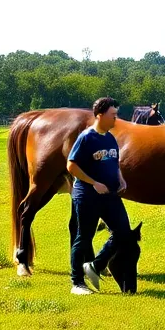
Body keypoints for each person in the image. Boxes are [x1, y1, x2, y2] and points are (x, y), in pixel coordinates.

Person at [67, 97, 132, 295]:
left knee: (124, 232)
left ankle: (96, 265)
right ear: (100, 115)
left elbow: (114, 162)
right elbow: (71, 165)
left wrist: (120, 178)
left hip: (110, 195)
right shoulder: (86, 138)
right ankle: (77, 283)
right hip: (87, 195)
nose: (116, 119)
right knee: (84, 237)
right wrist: (94, 183)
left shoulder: (110, 138)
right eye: (113, 115)